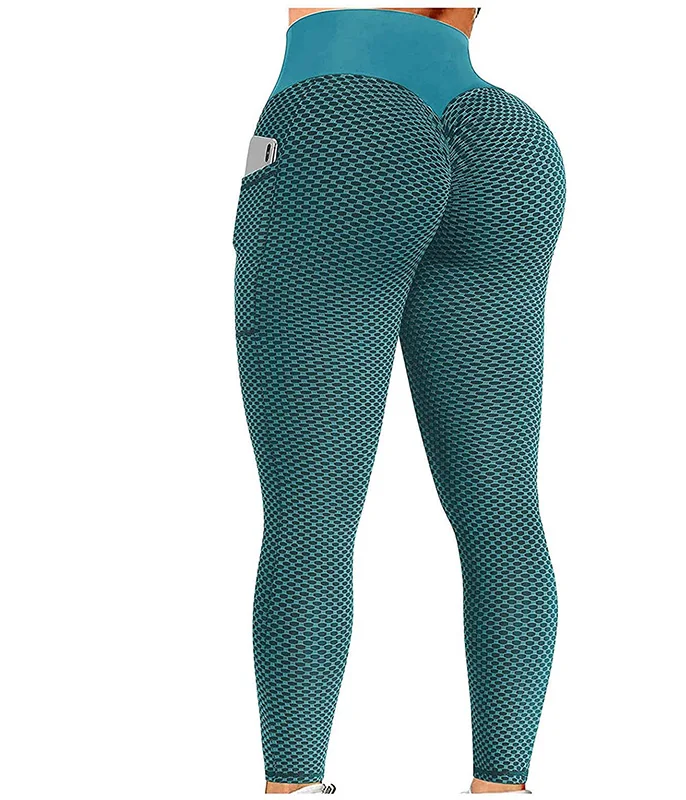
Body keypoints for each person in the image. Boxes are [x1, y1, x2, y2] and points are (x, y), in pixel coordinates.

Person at [232, 7, 566, 795]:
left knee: (310, 513)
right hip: (505, 140)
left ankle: (293, 788)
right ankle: (504, 787)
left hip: (341, 118)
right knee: (504, 513)